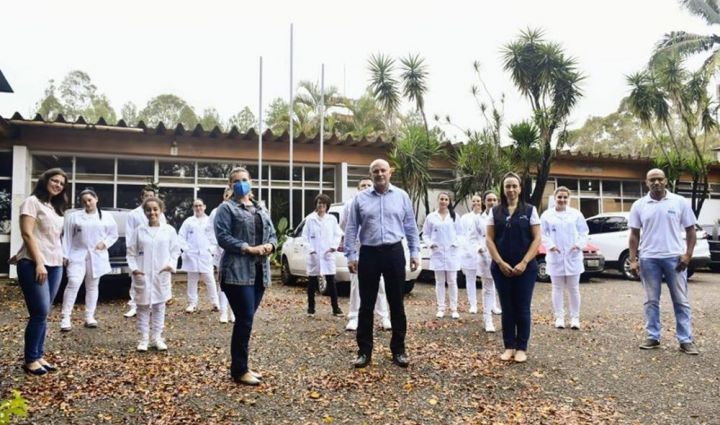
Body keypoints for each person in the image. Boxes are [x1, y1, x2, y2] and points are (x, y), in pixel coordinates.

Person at [344, 159, 420, 369]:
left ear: (390, 173)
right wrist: (351, 255)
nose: (379, 174)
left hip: (394, 252)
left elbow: (411, 226)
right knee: (366, 305)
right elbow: (351, 228)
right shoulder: (360, 199)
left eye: (383, 170)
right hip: (368, 253)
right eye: (375, 171)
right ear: (371, 174)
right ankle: (364, 351)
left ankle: (399, 350)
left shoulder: (402, 196)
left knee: (397, 302)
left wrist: (415, 252)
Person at [214, 166, 277, 385]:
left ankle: (242, 366)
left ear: (251, 181)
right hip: (237, 273)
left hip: (260, 272)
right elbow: (222, 237)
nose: (241, 183)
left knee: (246, 321)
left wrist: (270, 245)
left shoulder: (260, 208)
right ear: (230, 186)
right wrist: (247, 248)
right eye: (236, 181)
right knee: (244, 320)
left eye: (245, 179)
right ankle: (239, 370)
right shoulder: (226, 208)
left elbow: (273, 234)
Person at [629, 168, 699, 355]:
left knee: (681, 301)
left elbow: (691, 230)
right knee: (651, 300)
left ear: (666, 181)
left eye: (659, 179)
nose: (656, 182)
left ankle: (685, 340)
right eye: (652, 179)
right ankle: (653, 337)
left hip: (674, 258)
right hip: (649, 258)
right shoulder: (639, 205)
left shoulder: (679, 202)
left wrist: (687, 255)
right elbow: (634, 235)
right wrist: (633, 260)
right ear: (646, 182)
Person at [14, 168, 68, 375]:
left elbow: (49, 237)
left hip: (55, 264)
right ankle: (30, 359)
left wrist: (61, 256)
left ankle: (38, 355)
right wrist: (38, 262)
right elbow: (27, 233)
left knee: (44, 313)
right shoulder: (32, 202)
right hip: (37, 265)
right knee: (39, 312)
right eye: (54, 180)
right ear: (45, 180)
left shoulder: (54, 207)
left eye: (61, 183)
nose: (57, 185)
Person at [486, 172, 541, 363]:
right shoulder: (495, 212)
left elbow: (537, 239)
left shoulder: (530, 210)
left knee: (522, 307)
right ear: (502, 189)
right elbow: (490, 239)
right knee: (507, 307)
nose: (511, 189)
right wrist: (500, 263)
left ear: (520, 188)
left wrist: (524, 262)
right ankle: (509, 346)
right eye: (507, 186)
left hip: (525, 268)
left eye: (514, 186)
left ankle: (522, 348)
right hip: (502, 268)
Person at [126, 197, 182, 352]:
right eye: (148, 210)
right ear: (144, 212)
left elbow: (175, 251)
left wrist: (170, 266)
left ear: (161, 210)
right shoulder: (139, 231)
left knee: (159, 306)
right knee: (142, 307)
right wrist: (134, 269)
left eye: (155, 209)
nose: (152, 212)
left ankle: (157, 338)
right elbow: (131, 253)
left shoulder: (169, 230)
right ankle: (143, 339)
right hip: (142, 274)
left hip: (161, 274)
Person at [60, 188, 119, 331]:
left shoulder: (106, 216)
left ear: (96, 199)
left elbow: (113, 234)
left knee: (92, 286)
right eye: (84, 201)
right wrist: (65, 255)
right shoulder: (74, 217)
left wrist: (104, 243)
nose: (87, 203)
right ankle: (66, 317)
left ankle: (89, 316)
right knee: (73, 282)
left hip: (97, 255)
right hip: (77, 254)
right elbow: (66, 237)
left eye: (90, 200)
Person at [343, 178, 391, 332]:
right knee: (357, 285)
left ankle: (384, 316)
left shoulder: (380, 202)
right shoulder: (351, 204)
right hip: (359, 250)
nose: (366, 187)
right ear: (357, 188)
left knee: (381, 285)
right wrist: (350, 252)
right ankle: (354, 316)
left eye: (368, 185)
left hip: (378, 250)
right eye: (362, 185)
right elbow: (346, 226)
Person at [540, 186, 588, 330]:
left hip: (573, 256)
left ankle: (575, 318)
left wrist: (578, 245)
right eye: (559, 197)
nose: (562, 200)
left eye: (565, 197)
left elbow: (584, 232)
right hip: (555, 256)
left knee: (574, 289)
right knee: (557, 288)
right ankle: (559, 317)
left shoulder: (576, 214)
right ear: (555, 198)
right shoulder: (547, 215)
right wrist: (551, 245)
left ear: (569, 199)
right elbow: (542, 234)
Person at [123, 186, 166, 318]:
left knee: (154, 278)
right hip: (138, 250)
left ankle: (153, 304)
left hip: (154, 250)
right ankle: (134, 306)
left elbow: (163, 231)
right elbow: (129, 234)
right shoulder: (133, 214)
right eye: (146, 196)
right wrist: (132, 250)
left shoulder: (160, 214)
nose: (149, 198)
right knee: (137, 278)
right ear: (142, 197)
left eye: (151, 196)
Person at [302, 193, 344, 317]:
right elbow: (304, 237)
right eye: (319, 203)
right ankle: (311, 308)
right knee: (312, 282)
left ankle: (336, 308)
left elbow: (338, 234)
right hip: (314, 255)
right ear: (316, 205)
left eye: (324, 204)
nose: (321, 206)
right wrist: (311, 249)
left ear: (327, 206)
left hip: (327, 254)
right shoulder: (310, 219)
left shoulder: (332, 219)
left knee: (331, 282)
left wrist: (333, 247)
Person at [423, 192, 463, 319]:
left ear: (449, 201)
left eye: (446, 199)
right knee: (439, 282)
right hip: (437, 253)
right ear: (438, 200)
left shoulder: (454, 216)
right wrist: (430, 244)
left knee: (452, 281)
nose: (444, 201)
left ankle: (454, 308)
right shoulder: (431, 217)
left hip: (451, 253)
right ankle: (441, 308)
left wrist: (455, 244)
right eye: (442, 199)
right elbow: (425, 234)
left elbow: (461, 234)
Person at [179, 198, 220, 314]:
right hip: (191, 256)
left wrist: (210, 250)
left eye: (200, 205)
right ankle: (192, 304)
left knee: (210, 279)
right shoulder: (188, 221)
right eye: (196, 206)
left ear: (204, 207)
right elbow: (181, 237)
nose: (198, 208)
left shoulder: (209, 221)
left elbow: (215, 237)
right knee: (192, 280)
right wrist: (186, 249)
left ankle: (215, 303)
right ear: (193, 208)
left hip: (205, 255)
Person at [476, 190, 501, 332]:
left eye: (494, 200)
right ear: (484, 202)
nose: (492, 202)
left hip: (501, 257)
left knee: (503, 289)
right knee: (487, 289)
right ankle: (488, 320)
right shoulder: (478, 219)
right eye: (489, 200)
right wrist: (479, 247)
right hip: (485, 257)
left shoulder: (502, 217)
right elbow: (473, 237)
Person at [209, 188, 235, 324]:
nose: (229, 197)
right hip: (220, 252)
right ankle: (224, 312)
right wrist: (214, 248)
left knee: (236, 284)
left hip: (236, 252)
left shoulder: (239, 210)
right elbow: (209, 231)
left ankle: (233, 312)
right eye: (227, 195)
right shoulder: (216, 211)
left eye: (231, 195)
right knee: (223, 283)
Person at [459, 195, 483, 315]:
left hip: (483, 253)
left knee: (489, 280)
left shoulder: (485, 216)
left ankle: (492, 305)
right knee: (470, 279)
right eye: (474, 201)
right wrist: (467, 250)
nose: (476, 203)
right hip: (469, 253)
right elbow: (462, 235)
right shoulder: (465, 218)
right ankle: (473, 304)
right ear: (471, 203)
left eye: (478, 201)